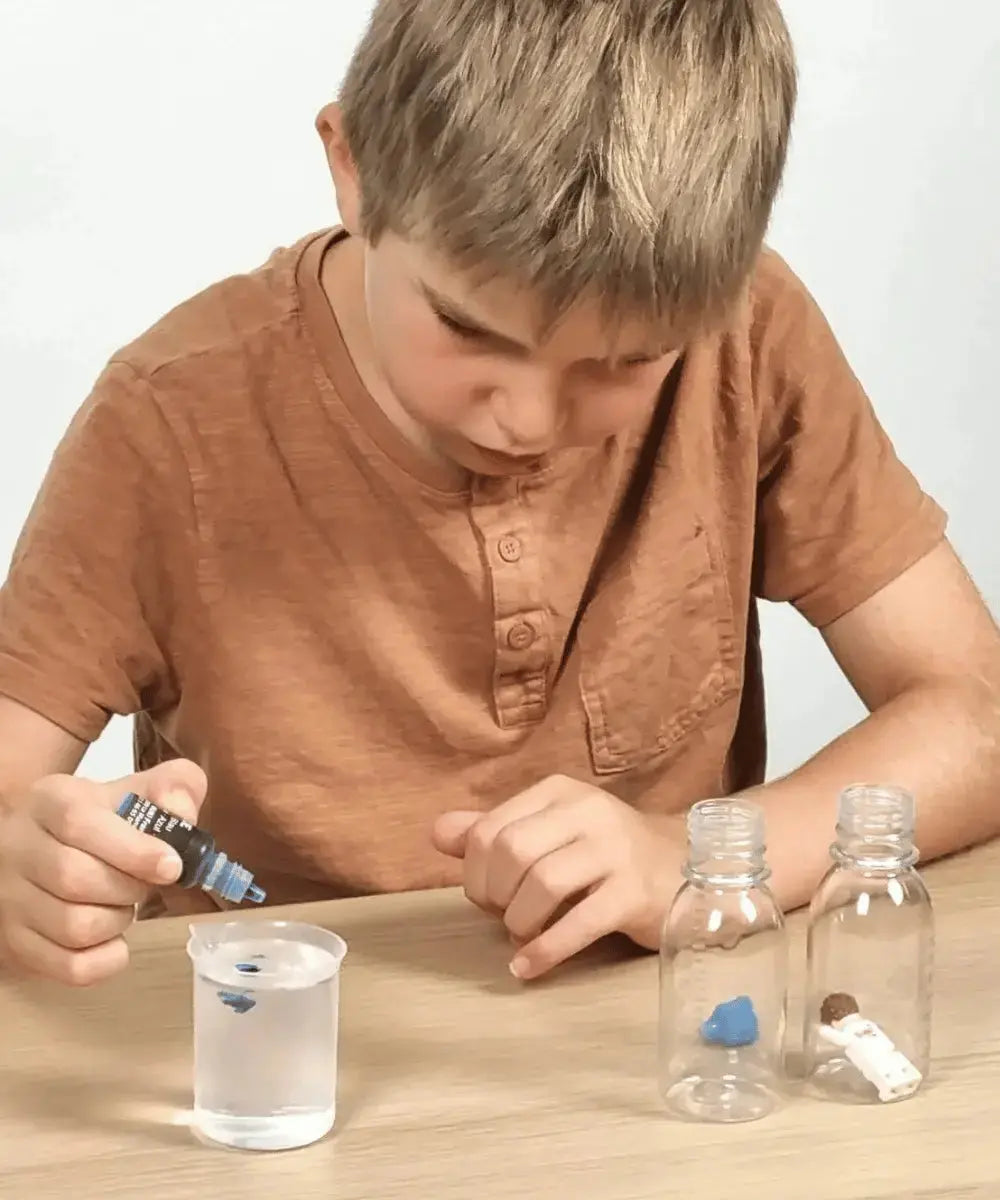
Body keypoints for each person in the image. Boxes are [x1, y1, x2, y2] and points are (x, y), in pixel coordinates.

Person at [1, 0, 998, 991]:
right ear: (352, 170)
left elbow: (974, 713)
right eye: (469, 330)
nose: (523, 420)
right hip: (275, 1046)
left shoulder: (742, 333)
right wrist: (30, 875)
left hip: (649, 1045)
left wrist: (692, 858)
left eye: (621, 363)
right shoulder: (168, 422)